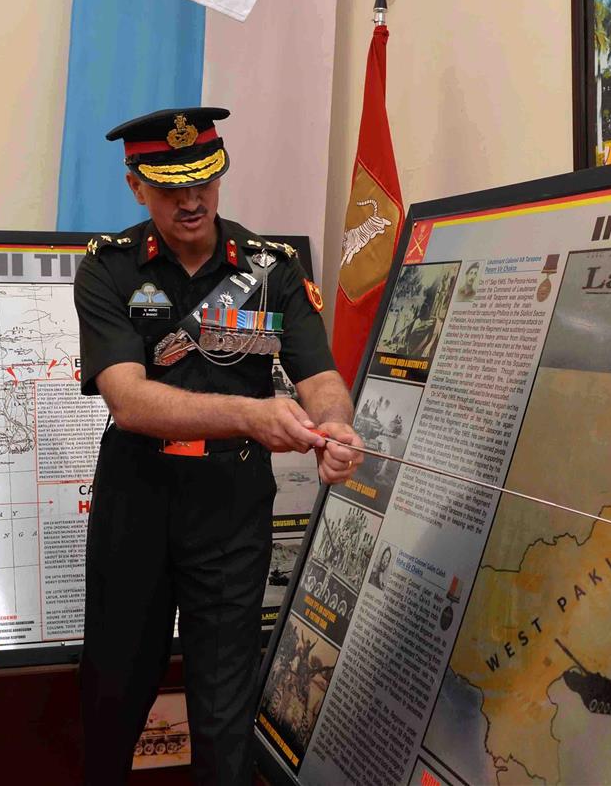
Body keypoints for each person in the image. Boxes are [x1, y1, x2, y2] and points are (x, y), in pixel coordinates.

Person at [74, 107, 365, 785]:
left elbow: (319, 376)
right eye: (171, 186)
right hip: (138, 498)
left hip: (230, 504)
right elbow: (129, 398)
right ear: (135, 186)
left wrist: (339, 426)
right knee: (116, 689)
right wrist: (249, 414)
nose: (192, 199)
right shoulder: (110, 270)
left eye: (204, 180)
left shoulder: (273, 269)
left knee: (225, 700)